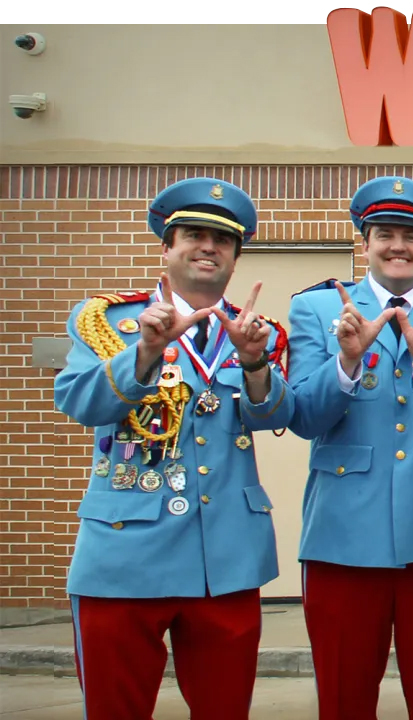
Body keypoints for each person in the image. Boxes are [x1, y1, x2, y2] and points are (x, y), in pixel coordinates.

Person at [53, 177, 293, 718]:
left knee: (223, 709)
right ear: (167, 246)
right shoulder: (109, 321)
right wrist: (143, 352)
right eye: (194, 235)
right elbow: (78, 402)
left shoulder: (257, 332)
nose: (209, 247)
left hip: (226, 557)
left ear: (235, 257)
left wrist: (255, 362)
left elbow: (279, 417)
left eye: (223, 240)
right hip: (125, 552)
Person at [285, 176, 413, 719]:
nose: (398, 246)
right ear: (365, 242)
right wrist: (346, 362)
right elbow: (303, 416)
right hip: (343, 533)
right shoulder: (316, 309)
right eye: (385, 234)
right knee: (344, 692)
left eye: (411, 236)